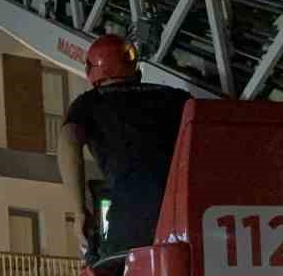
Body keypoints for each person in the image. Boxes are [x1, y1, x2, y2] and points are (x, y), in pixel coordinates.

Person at [58, 34, 191, 263]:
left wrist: (79, 211)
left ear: (92, 73)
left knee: (112, 273)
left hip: (135, 214)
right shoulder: (176, 97)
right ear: (135, 70)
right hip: (189, 210)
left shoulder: (90, 103)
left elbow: (68, 141)